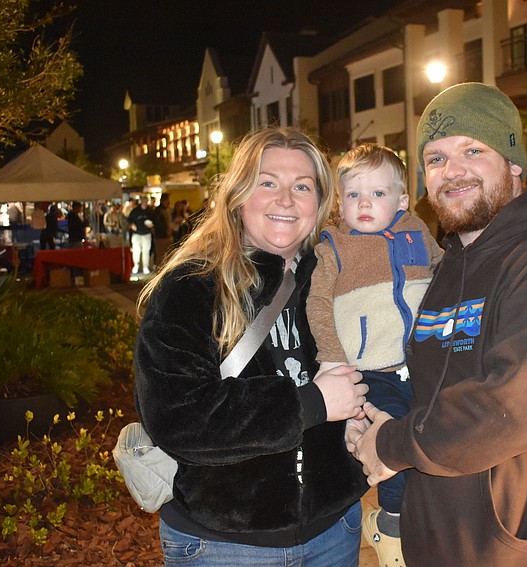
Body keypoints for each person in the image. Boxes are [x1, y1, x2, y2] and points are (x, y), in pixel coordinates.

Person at [347, 82, 527, 566]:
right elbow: (432, 389)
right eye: (434, 159)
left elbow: (510, 408)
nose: (451, 172)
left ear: (513, 162)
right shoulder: (450, 263)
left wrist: (392, 444)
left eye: (472, 151)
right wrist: (374, 420)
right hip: (442, 542)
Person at [133, 127, 370, 567]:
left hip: (335, 529)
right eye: (268, 183)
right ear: (239, 195)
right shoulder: (190, 288)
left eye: (302, 186)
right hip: (223, 545)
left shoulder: (339, 279)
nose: (286, 199)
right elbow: (177, 416)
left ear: (319, 202)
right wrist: (311, 404)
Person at [306, 143, 442, 565]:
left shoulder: (417, 232)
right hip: (371, 370)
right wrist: (331, 360)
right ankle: (392, 527)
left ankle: (419, 517)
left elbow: (447, 270)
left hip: (419, 365)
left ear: (401, 200)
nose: (365, 203)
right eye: (353, 195)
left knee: (432, 438)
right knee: (392, 439)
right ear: (339, 203)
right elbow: (317, 305)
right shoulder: (335, 246)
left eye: (378, 194)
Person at [127, 196, 154, 275]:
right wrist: (132, 225)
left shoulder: (150, 211)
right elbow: (129, 220)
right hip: (137, 234)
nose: (145, 203)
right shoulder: (135, 211)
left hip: (147, 233)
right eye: (143, 201)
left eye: (146, 201)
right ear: (141, 202)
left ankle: (145, 266)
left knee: (146, 251)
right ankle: (136, 265)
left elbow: (154, 221)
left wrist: (152, 225)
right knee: (136, 251)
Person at [153, 193, 173, 266]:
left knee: (167, 255)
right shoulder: (158, 210)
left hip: (167, 236)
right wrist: (166, 229)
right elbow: (158, 224)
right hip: (161, 236)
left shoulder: (168, 209)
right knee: (161, 256)